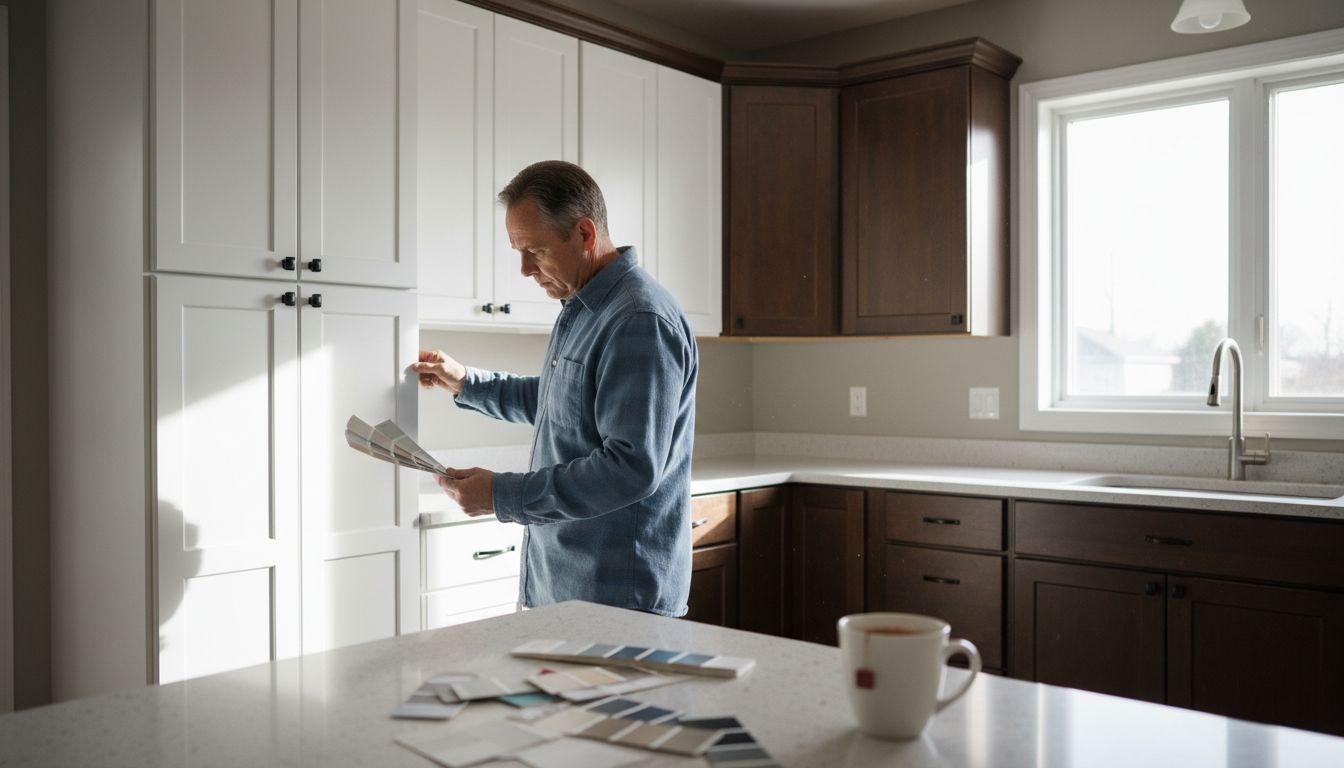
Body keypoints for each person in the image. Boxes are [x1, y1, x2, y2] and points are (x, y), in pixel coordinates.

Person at [411, 160, 699, 617]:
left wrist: (501, 495)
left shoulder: (638, 319)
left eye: (535, 251)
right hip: (564, 585)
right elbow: (560, 402)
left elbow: (630, 468)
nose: (525, 269)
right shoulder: (583, 305)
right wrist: (465, 382)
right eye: (518, 252)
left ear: (585, 234)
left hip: (616, 594)